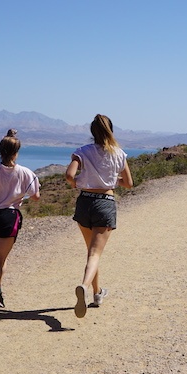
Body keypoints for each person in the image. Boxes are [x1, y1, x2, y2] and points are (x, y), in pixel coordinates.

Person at [65, 114, 134, 318]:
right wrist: (112, 181)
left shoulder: (82, 152)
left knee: (91, 252)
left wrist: (81, 182)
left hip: (84, 202)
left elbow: (69, 176)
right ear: (110, 130)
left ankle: (97, 293)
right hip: (105, 203)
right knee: (95, 254)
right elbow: (129, 183)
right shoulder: (119, 154)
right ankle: (85, 287)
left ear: (92, 132)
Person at [0, 129, 41, 323]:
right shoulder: (26, 173)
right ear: (17, 152)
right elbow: (36, 197)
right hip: (9, 217)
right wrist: (18, 194)